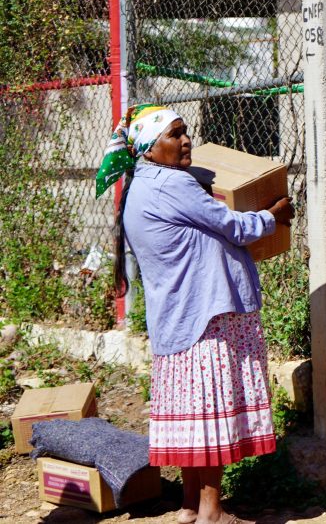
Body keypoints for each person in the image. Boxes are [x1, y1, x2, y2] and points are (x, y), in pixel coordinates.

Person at [97, 104, 295, 524]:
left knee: (194, 417)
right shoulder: (173, 185)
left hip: (178, 319)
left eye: (186, 132)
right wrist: (274, 217)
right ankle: (212, 511)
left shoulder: (140, 187)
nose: (185, 140)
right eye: (175, 134)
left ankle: (190, 506)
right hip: (207, 316)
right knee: (211, 416)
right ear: (151, 146)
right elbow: (235, 227)